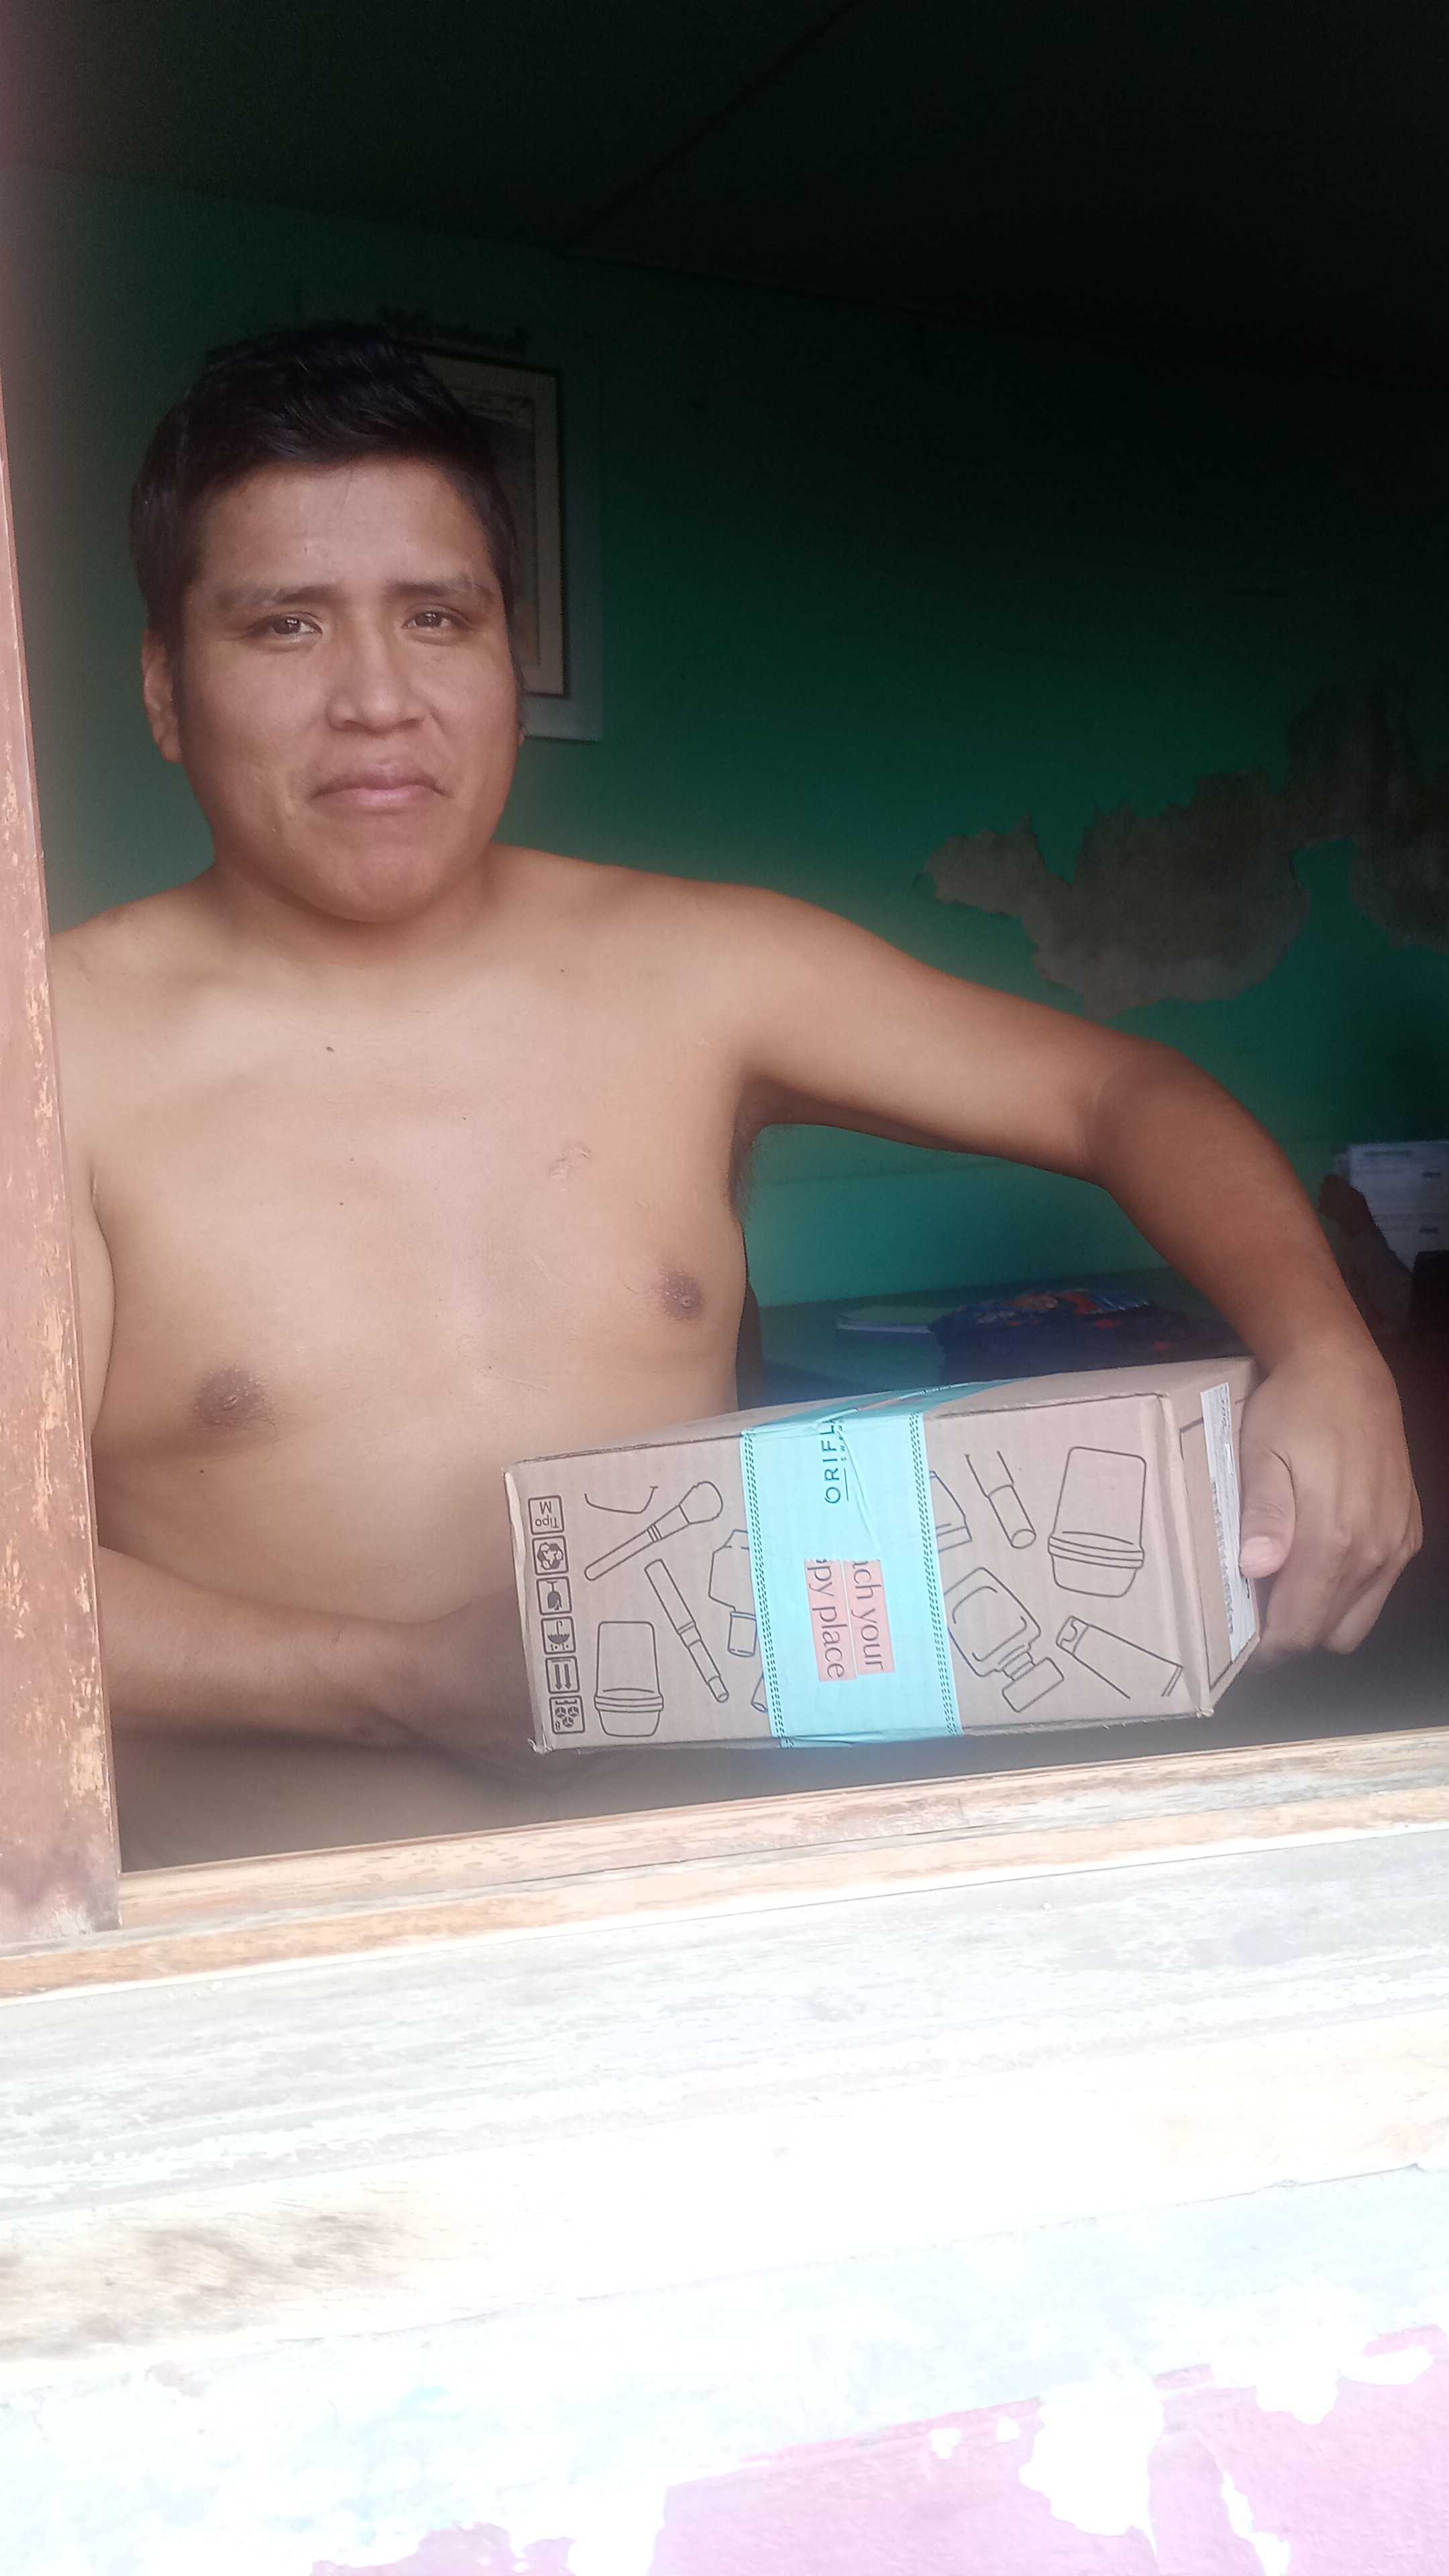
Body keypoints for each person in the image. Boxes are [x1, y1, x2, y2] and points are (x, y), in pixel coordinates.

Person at [51, 325, 1419, 1774]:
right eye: (286, 626)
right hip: (289, 1891)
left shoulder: (703, 968)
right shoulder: (55, 1055)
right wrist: (401, 1682)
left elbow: (1121, 1089)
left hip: (727, 1849)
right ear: (165, 689)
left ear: (510, 657)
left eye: (439, 618)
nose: (379, 699)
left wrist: (1330, 1355)